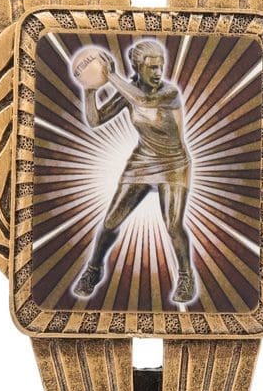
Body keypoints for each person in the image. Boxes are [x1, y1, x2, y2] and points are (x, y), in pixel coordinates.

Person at [73, 39, 197, 303]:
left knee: (173, 224)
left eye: (160, 66)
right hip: (143, 161)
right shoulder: (129, 92)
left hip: (174, 164)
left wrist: (111, 75)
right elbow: (95, 120)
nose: (158, 73)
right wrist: (90, 90)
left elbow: (144, 100)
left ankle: (186, 276)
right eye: (151, 68)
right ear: (138, 67)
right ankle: (93, 270)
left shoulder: (169, 92)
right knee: (110, 222)